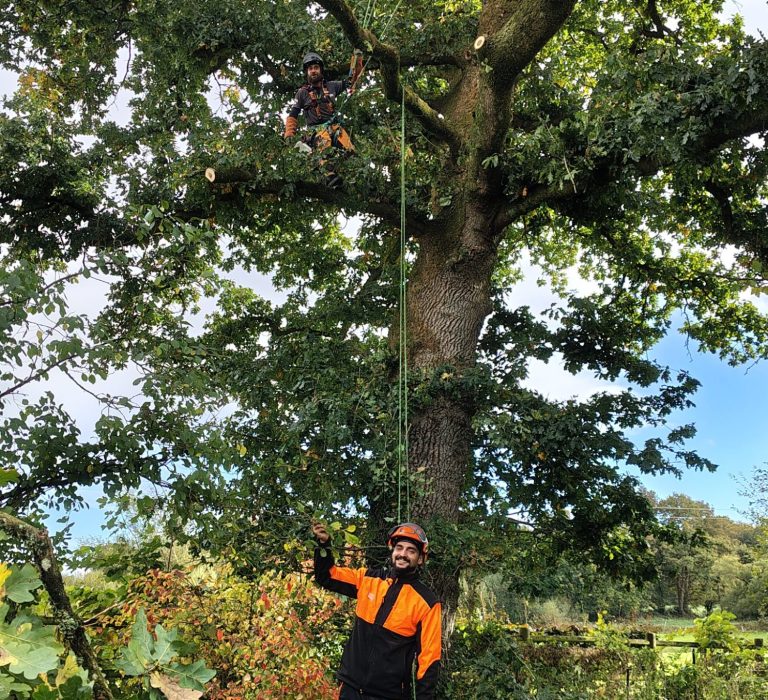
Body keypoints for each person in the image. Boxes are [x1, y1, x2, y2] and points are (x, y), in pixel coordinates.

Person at [311, 521, 442, 699]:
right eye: (399, 548)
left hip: (387, 695)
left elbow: (429, 660)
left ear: (420, 559)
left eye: (411, 551)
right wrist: (323, 544)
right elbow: (327, 576)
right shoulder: (367, 579)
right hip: (350, 688)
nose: (403, 554)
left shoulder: (428, 602)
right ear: (392, 551)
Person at [283, 50, 363, 188]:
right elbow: (293, 114)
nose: (313, 71)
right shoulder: (302, 93)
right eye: (310, 69)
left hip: (334, 128)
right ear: (307, 72)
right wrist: (289, 134)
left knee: (350, 150)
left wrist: (357, 60)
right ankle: (329, 175)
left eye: (316, 67)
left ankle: (355, 177)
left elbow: (351, 82)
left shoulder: (332, 86)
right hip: (317, 132)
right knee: (324, 144)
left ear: (321, 70)